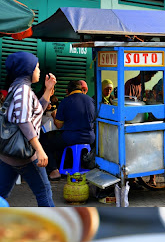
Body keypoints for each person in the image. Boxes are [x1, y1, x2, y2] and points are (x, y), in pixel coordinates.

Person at [0, 51, 56, 206]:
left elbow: (35, 112)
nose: (38, 71)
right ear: (27, 69)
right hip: (24, 154)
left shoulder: (17, 87)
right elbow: (24, 121)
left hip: (9, 154)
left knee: (1, 195)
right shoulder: (23, 90)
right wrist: (39, 149)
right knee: (44, 194)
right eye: (36, 67)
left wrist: (48, 89)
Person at [43, 79, 96, 180]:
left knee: (44, 140)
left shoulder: (66, 101)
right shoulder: (91, 100)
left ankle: (54, 170)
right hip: (90, 138)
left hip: (71, 137)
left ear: (68, 91)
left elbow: (58, 125)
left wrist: (55, 117)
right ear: (81, 89)